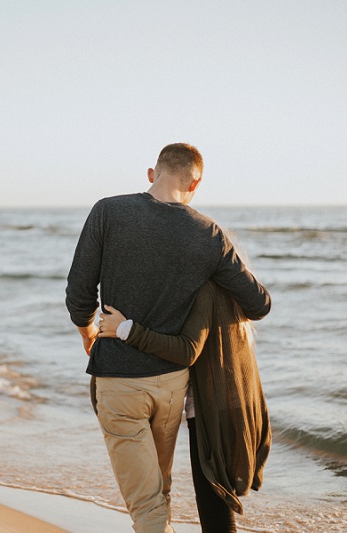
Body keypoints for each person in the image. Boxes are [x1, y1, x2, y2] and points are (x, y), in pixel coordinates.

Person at [65, 143, 271, 533]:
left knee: (148, 507)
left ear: (151, 174)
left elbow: (79, 295)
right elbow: (258, 303)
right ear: (195, 184)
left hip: (119, 381)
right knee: (159, 492)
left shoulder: (107, 211)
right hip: (173, 386)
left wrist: (88, 333)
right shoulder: (207, 233)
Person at [97, 281, 271, 533]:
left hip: (209, 412)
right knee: (218, 511)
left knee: (216, 517)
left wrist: (126, 330)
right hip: (238, 401)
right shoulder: (233, 287)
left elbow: (187, 350)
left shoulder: (205, 289)